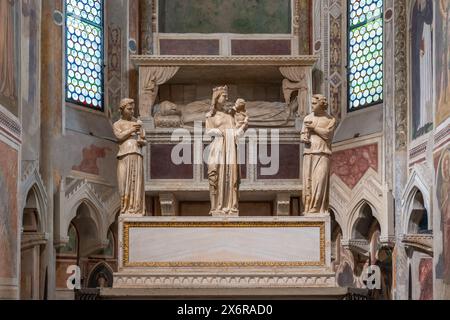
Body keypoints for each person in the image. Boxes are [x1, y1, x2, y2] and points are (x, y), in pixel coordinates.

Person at [205, 86, 246, 216]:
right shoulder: (210, 115)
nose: (227, 98)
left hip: (230, 149)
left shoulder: (230, 116)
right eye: (224, 96)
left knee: (231, 176)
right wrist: (219, 131)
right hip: (217, 148)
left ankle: (230, 205)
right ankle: (216, 207)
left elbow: (236, 134)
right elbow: (209, 131)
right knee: (215, 176)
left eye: (227, 96)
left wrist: (244, 125)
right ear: (217, 98)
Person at [300, 94, 336, 214]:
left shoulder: (330, 120)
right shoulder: (307, 118)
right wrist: (304, 137)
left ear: (321, 104)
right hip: (309, 153)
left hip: (323, 153)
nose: (312, 106)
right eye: (311, 104)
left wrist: (314, 128)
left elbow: (328, 135)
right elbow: (303, 134)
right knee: (308, 183)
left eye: (314, 103)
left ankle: (317, 206)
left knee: (319, 181)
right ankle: (308, 207)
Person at [113, 98, 146, 215]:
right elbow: (119, 136)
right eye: (129, 109)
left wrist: (141, 140)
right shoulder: (117, 124)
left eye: (133, 109)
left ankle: (134, 207)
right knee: (123, 184)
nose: (132, 111)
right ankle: (125, 207)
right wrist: (132, 129)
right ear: (122, 110)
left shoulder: (137, 122)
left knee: (136, 183)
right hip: (124, 155)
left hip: (136, 154)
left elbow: (143, 139)